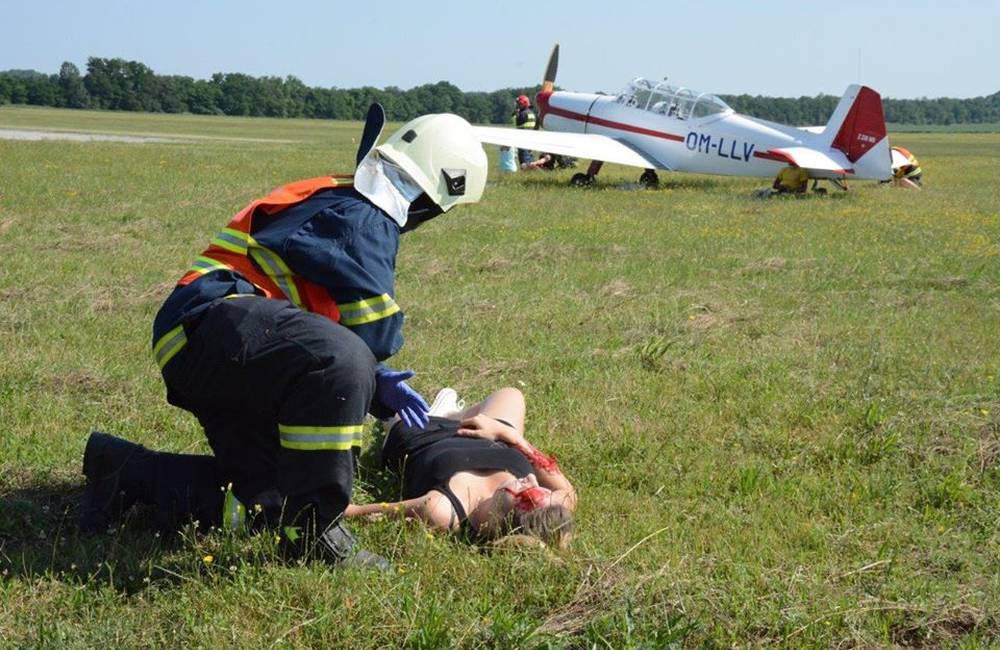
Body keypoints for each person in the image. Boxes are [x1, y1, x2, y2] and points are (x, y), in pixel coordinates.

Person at [78, 105, 489, 568]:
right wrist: (373, 373)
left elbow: (322, 320)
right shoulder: (364, 215)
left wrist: (374, 378)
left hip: (222, 345)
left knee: (272, 500)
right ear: (433, 197)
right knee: (343, 361)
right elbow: (374, 329)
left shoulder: (347, 200)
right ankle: (314, 537)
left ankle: (125, 470)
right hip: (214, 324)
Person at [345, 387, 577, 549]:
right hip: (491, 435)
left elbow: (355, 512)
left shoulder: (444, 510)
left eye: (526, 493)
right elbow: (568, 492)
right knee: (511, 395)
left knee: (390, 399)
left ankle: (440, 414)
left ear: (507, 521)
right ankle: (455, 415)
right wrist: (512, 437)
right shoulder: (552, 507)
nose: (531, 479)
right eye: (539, 486)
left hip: (421, 430)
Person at [511, 94, 537, 168]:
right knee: (530, 156)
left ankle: (525, 170)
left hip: (522, 138)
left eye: (519, 104)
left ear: (523, 104)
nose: (518, 106)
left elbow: (515, 124)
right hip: (530, 137)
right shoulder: (531, 113)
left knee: (523, 158)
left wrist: (515, 114)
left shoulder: (522, 114)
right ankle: (531, 169)